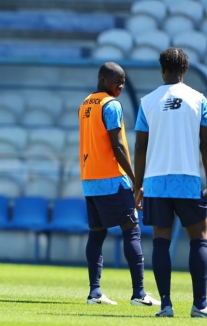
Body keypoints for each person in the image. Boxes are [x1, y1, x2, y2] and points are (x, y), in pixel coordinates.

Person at [78, 62, 160, 306]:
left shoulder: (85, 104)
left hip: (89, 179)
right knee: (131, 230)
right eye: (117, 82)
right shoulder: (111, 105)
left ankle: (95, 293)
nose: (121, 86)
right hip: (112, 179)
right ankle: (139, 294)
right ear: (104, 80)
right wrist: (136, 179)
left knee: (96, 234)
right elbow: (118, 144)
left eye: (123, 82)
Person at [134, 48, 207, 318]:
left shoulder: (147, 102)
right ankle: (200, 305)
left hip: (155, 181)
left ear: (162, 69)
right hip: (187, 178)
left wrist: (137, 186)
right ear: (185, 71)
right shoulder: (200, 100)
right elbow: (206, 144)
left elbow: (140, 147)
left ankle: (165, 304)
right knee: (199, 239)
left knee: (161, 242)